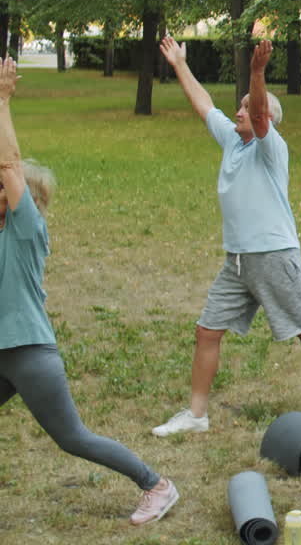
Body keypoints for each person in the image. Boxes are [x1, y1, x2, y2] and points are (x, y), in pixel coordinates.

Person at [151, 37, 301, 436]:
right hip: (237, 260)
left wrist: (257, 71)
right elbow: (204, 104)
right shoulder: (232, 141)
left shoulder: (271, 148)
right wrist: (180, 65)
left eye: (246, 107)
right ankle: (197, 415)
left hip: (274, 256)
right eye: (239, 107)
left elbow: (258, 112)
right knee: (207, 331)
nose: (239, 112)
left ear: (264, 117)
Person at [0, 57, 179, 525]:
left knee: (72, 438)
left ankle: (157, 485)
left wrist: (2, 101)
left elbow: (10, 163)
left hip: (26, 353)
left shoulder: (26, 230)